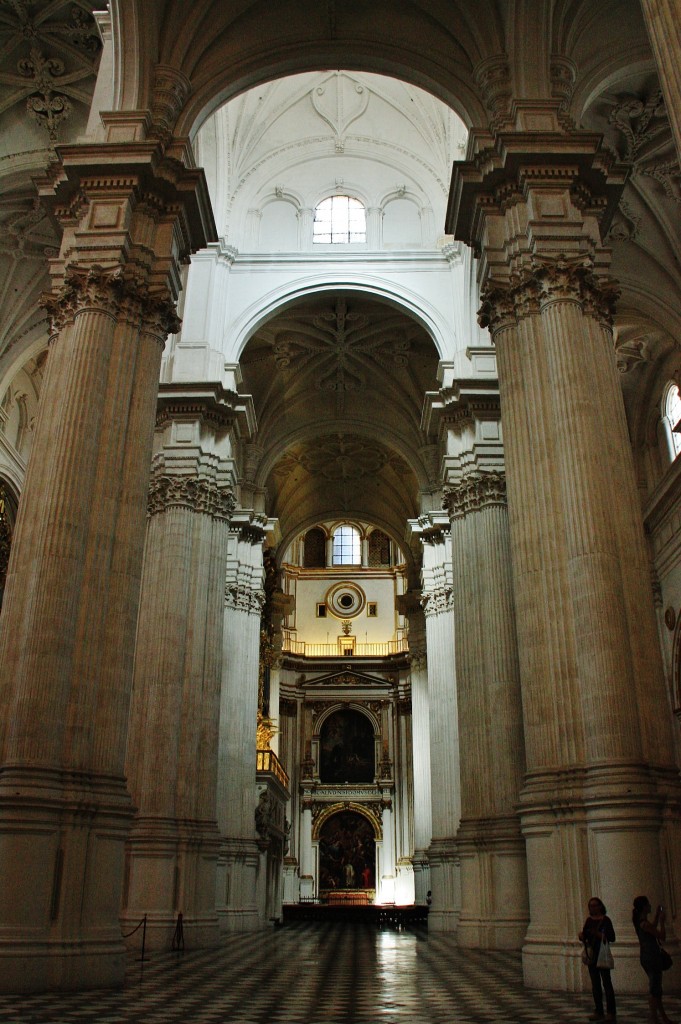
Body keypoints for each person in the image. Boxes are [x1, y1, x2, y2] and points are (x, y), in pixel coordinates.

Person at [632, 895, 676, 1024]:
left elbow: (652, 928)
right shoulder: (644, 924)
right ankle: (654, 1018)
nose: (650, 906)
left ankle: (662, 1017)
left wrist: (657, 916)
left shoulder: (641, 922)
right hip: (652, 956)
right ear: (644, 907)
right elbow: (661, 936)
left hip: (647, 956)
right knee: (654, 988)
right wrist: (662, 921)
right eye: (648, 904)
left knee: (656, 989)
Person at [579, 896, 617, 1022]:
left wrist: (598, 934)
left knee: (607, 983)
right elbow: (585, 935)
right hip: (593, 955)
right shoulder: (589, 920)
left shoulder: (606, 920)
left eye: (595, 905)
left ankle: (611, 1012)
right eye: (591, 906)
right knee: (595, 985)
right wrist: (582, 936)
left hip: (603, 954)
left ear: (600, 906)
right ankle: (599, 1011)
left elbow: (611, 937)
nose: (593, 908)